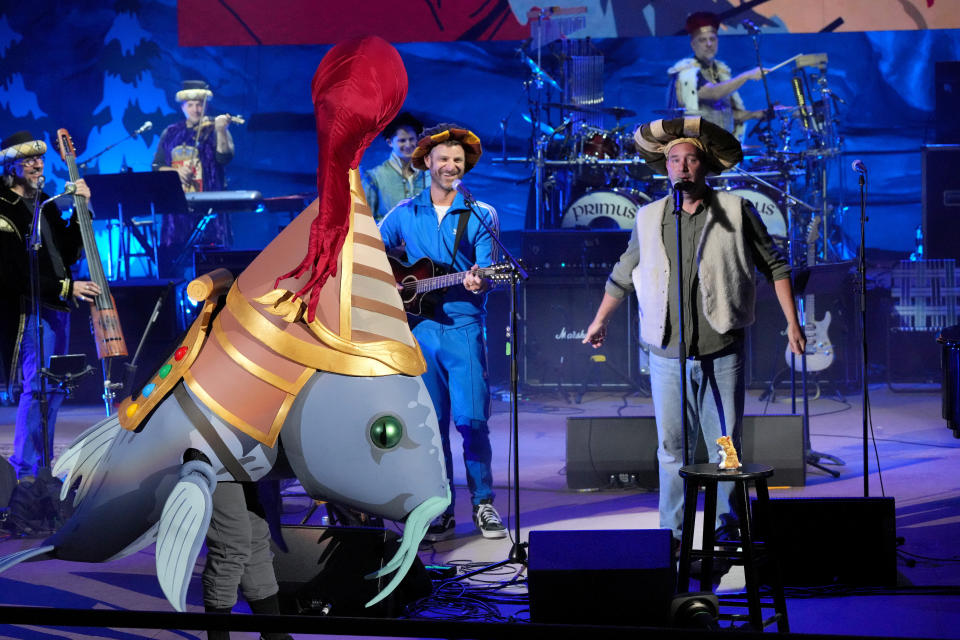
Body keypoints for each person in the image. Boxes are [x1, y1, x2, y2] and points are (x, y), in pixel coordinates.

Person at [582, 116, 805, 554]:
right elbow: (623, 273)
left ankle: (725, 527)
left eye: (691, 159)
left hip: (721, 348)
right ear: (665, 168)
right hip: (666, 354)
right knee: (671, 447)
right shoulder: (648, 218)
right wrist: (600, 319)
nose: (682, 167)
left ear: (705, 166)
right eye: (674, 160)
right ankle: (674, 532)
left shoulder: (736, 211)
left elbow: (776, 265)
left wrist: (792, 323)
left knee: (726, 446)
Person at [378, 124, 506, 541]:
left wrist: (481, 280)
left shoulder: (480, 214)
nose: (451, 166)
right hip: (419, 329)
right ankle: (441, 507)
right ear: (426, 163)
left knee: (471, 421)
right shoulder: (404, 213)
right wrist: (391, 284)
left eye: (458, 160)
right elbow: (369, 253)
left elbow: (487, 270)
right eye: (444, 159)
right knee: (430, 426)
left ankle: (483, 502)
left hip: (463, 326)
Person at [0, 130, 99, 495]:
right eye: (28, 160)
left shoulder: (46, 201)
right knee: (38, 388)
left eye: (39, 159)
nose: (37, 165)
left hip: (57, 307)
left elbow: (70, 252)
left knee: (54, 389)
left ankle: (42, 467)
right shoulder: (2, 209)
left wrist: (80, 210)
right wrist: (66, 287)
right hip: (29, 311)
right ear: (10, 166)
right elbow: (11, 275)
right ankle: (24, 470)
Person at [152, 80, 235, 274]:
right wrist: (175, 172)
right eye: (190, 105)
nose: (195, 109)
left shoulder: (215, 128)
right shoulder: (171, 132)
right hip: (178, 210)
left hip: (209, 208)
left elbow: (225, 157)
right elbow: (157, 167)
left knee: (212, 265)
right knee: (175, 263)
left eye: (199, 104)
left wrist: (221, 130)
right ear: (182, 107)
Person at [203, 480, 292, 640]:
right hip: (217, 463)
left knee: (256, 539)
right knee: (230, 547)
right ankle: (218, 637)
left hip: (254, 466)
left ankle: (274, 635)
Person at [667, 11, 767, 138]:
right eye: (703, 40)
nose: (709, 44)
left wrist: (756, 114)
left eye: (712, 39)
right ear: (693, 44)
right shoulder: (687, 72)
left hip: (722, 146)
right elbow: (713, 94)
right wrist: (746, 75)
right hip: (695, 146)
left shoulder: (721, 71)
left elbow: (726, 113)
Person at [362, 111, 430, 221]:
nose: (408, 145)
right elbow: (365, 220)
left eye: (411, 139)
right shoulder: (374, 177)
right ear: (389, 142)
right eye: (402, 140)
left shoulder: (429, 174)